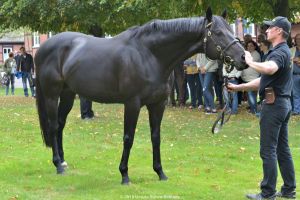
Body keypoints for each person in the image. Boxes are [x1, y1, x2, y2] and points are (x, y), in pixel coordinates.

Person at [228, 16, 296, 200]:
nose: (266, 30)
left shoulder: (279, 53)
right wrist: (239, 87)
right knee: (282, 149)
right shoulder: (281, 51)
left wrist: (249, 61)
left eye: (270, 27)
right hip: (282, 104)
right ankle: (289, 190)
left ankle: (267, 194)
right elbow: (265, 80)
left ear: (279, 31)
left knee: (268, 150)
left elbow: (270, 69)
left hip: (274, 106)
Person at [241, 41, 261, 114]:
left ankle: (254, 110)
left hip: (253, 78)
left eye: (251, 46)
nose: (249, 47)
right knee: (250, 95)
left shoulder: (256, 54)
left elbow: (247, 62)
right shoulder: (248, 54)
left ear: (255, 47)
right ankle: (252, 108)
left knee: (251, 94)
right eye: (248, 46)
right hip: (247, 78)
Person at [290, 33, 300, 115]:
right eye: (297, 39)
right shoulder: (292, 50)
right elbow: (288, 60)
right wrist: (292, 60)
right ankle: (296, 111)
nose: (299, 40)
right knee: (295, 94)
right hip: (294, 75)